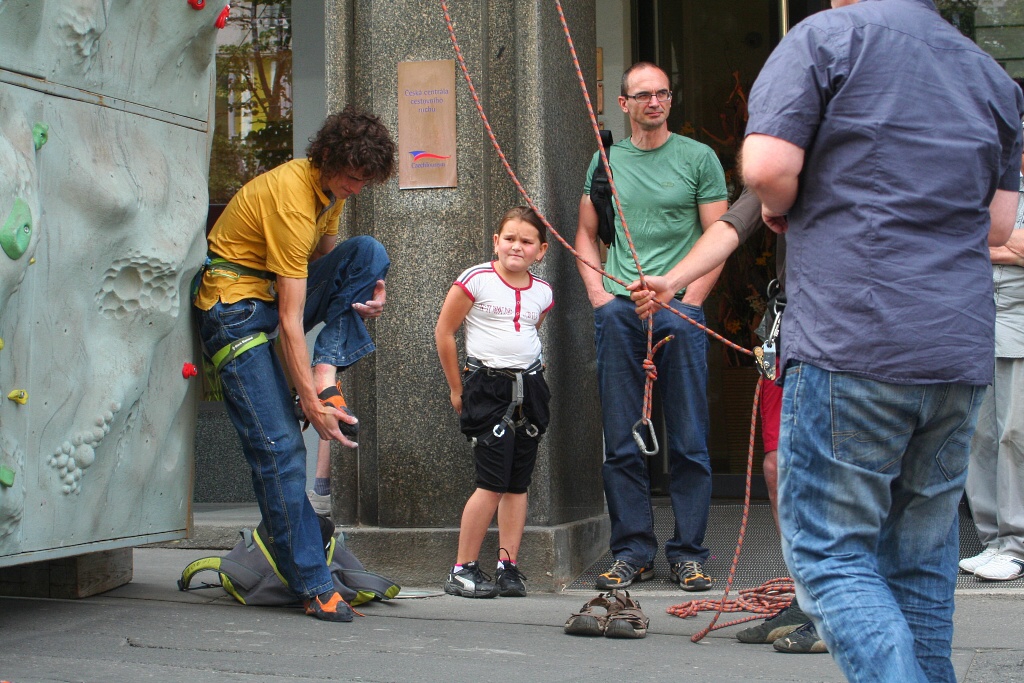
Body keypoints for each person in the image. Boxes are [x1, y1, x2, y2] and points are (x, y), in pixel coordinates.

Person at [740, 0, 1023, 680]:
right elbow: (997, 221)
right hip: (955, 346)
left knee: (831, 554)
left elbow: (766, 168)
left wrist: (780, 208)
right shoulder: (988, 73)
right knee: (921, 566)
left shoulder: (824, 39)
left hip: (854, 336)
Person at [193, 106, 395, 622]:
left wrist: (362, 297)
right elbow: (289, 320)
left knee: (368, 253)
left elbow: (331, 259)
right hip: (236, 312)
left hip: (271, 302)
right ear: (326, 158)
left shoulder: (327, 192)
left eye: (365, 181)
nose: (356, 188)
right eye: (352, 177)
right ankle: (312, 581)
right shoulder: (290, 198)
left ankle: (327, 376)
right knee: (281, 449)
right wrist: (306, 400)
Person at [628, 186, 825, 653]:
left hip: (846, 333)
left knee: (836, 475)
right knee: (779, 469)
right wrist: (674, 281)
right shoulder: (787, 161)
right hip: (790, 329)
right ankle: (806, 596)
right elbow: (733, 224)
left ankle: (838, 606)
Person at [574, 62, 728, 592]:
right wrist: (600, 296)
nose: (655, 102)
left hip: (680, 310)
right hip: (620, 310)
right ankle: (633, 551)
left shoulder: (698, 158)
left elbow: (720, 235)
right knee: (621, 440)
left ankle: (688, 554)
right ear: (623, 103)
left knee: (688, 439)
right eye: (644, 95)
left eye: (663, 93)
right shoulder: (605, 160)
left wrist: (691, 300)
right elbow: (585, 234)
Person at [435, 207, 553, 598]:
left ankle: (508, 566)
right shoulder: (475, 280)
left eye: (527, 241)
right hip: (487, 388)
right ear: (496, 242)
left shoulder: (543, 292)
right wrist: (457, 389)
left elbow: (529, 332)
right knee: (491, 482)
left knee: (517, 483)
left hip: (530, 389)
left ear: (541, 250)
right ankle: (462, 568)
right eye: (510, 238)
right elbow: (445, 331)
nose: (516, 246)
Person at [961, 127, 1024, 582]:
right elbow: (960, 240)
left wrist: (989, 245)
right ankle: (992, 539)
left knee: (1014, 435)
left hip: (1019, 321)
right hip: (977, 320)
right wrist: (1005, 246)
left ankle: (1016, 543)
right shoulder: (987, 185)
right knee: (979, 435)